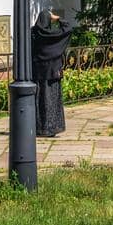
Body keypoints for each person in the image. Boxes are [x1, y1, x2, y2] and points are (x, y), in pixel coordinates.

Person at [30, 9, 76, 137]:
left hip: (37, 73)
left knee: (40, 100)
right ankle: (52, 128)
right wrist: (58, 18)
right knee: (52, 101)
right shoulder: (54, 35)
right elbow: (69, 28)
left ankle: (40, 128)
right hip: (53, 73)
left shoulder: (33, 33)